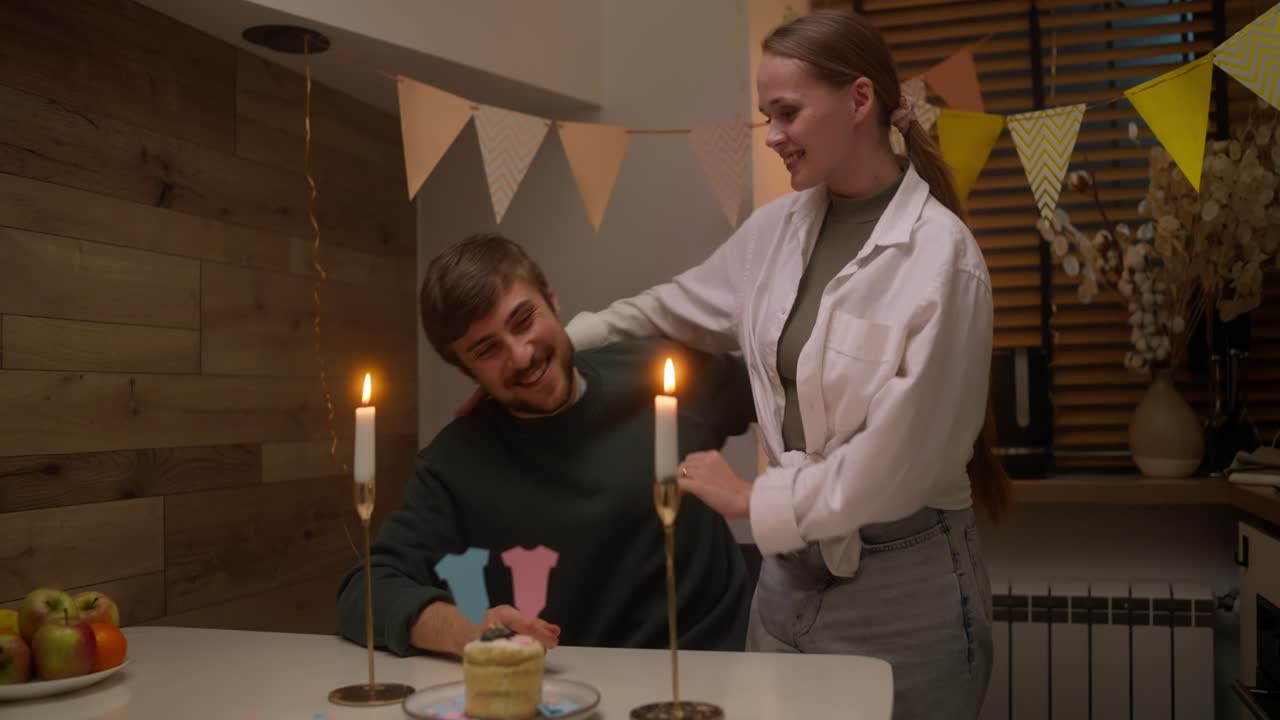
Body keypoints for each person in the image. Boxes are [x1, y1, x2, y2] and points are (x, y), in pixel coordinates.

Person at [563, 10, 1007, 719]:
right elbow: (673, 308)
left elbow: (896, 465)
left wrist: (752, 500)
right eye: (768, 115)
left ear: (859, 100)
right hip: (785, 581)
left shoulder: (940, 259)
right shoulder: (777, 230)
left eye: (787, 113)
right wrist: (556, 343)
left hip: (904, 585)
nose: (771, 135)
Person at [335, 232, 755, 658]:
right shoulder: (455, 464)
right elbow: (365, 591)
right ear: (466, 371)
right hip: (581, 682)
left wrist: (777, 500)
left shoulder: (660, 373)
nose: (520, 356)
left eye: (523, 321)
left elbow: (782, 393)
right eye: (487, 350)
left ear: (552, 302)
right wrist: (466, 629)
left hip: (731, 665)